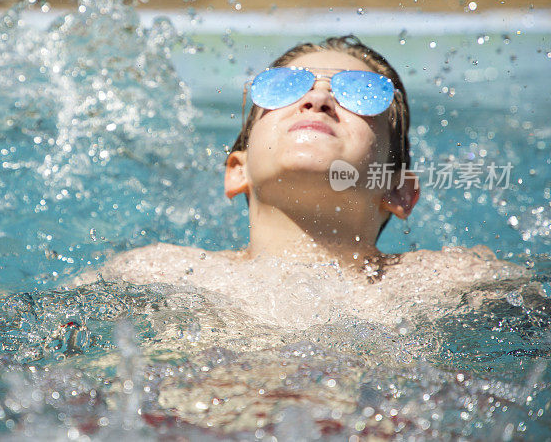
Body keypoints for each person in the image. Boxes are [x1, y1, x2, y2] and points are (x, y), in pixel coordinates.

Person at [74, 35, 526, 329]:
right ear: (238, 170)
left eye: (360, 94)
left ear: (398, 190)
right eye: (283, 87)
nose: (318, 98)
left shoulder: (450, 280)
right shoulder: (158, 272)